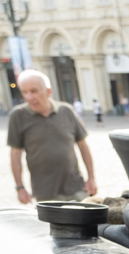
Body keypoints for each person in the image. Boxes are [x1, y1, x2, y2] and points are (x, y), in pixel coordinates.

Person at [7, 70, 98, 203]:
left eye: (34, 91)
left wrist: (91, 178)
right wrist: (20, 187)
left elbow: (83, 146)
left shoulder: (66, 111)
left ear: (48, 91)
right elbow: (15, 154)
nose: (29, 97)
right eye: (24, 92)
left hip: (76, 187)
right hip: (45, 192)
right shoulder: (18, 116)